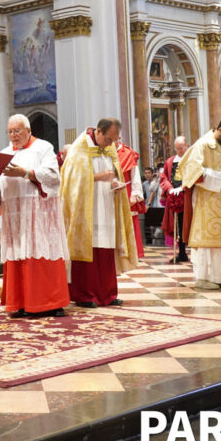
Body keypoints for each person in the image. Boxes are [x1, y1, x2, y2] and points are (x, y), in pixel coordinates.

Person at [0, 115, 68, 318]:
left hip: (39, 212)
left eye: (17, 131)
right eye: (10, 131)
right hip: (15, 214)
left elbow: (53, 177)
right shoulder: (3, 154)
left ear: (28, 130)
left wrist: (25, 173)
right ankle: (21, 302)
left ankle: (49, 302)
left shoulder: (43, 148)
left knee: (41, 252)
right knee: (19, 255)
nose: (13, 135)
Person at [60, 117, 138, 307]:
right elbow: (70, 179)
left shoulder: (109, 147)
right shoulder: (80, 146)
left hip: (107, 205)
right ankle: (85, 295)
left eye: (114, 140)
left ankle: (108, 294)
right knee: (89, 250)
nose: (112, 144)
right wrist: (97, 177)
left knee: (106, 250)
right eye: (109, 139)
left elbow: (113, 171)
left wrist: (115, 182)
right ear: (99, 132)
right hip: (87, 209)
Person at [179, 117, 221, 290]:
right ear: (220, 130)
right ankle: (202, 277)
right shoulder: (202, 145)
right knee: (206, 239)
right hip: (205, 199)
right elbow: (192, 173)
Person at [159, 136, 190, 263]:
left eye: (181, 148)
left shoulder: (191, 160)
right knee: (176, 225)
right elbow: (164, 177)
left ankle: (186, 252)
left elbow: (195, 176)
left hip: (187, 197)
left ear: (187, 146)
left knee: (187, 224)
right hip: (174, 197)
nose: (179, 151)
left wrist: (183, 187)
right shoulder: (170, 161)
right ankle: (180, 252)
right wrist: (170, 189)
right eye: (176, 149)